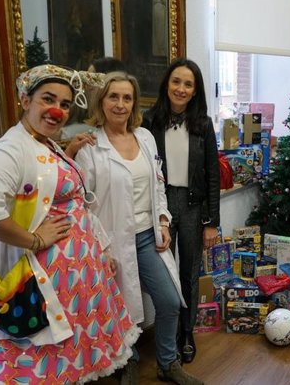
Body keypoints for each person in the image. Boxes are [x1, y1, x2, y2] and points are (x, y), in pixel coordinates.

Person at [0, 64, 140, 384]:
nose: (57, 110)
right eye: (48, 99)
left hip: (77, 278)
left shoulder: (45, 143)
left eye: (65, 104)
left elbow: (74, 203)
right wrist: (34, 240)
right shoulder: (10, 149)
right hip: (43, 280)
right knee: (40, 366)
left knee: (68, 363)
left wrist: (100, 250)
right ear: (25, 100)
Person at [75, 71, 202, 385]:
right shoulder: (90, 147)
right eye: (113, 97)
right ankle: (126, 363)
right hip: (112, 242)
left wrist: (162, 220)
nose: (120, 104)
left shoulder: (144, 137)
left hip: (148, 237)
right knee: (122, 310)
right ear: (101, 102)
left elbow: (157, 183)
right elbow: (83, 203)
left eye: (127, 98)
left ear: (134, 103)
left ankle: (167, 363)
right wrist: (100, 248)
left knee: (169, 301)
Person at [145, 58, 220, 364]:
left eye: (188, 84)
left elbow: (212, 175)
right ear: (167, 84)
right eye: (176, 81)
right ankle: (167, 334)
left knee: (189, 273)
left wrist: (211, 222)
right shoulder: (150, 121)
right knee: (165, 274)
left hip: (191, 207)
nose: (181, 88)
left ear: (194, 91)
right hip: (160, 205)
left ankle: (186, 333)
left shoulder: (203, 124)